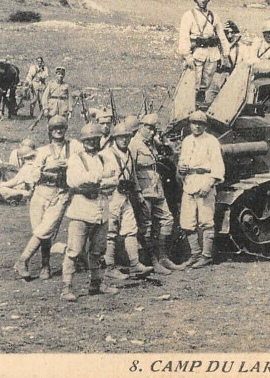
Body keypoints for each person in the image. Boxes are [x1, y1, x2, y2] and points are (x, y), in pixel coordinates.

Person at [14, 116, 82, 280]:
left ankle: (22, 261)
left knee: (45, 230)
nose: (58, 131)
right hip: (41, 193)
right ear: (50, 131)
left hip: (61, 194)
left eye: (61, 127)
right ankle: (45, 265)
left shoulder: (74, 146)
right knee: (41, 232)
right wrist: (48, 167)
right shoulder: (43, 151)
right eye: (55, 128)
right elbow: (32, 175)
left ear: (65, 129)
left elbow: (85, 156)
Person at [60, 123, 120, 301]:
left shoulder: (104, 158)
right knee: (74, 250)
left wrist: (98, 181)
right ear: (82, 141)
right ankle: (66, 287)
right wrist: (101, 178)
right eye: (88, 140)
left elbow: (115, 179)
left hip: (101, 210)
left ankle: (96, 283)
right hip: (81, 210)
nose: (92, 143)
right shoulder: (76, 159)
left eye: (95, 139)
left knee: (98, 251)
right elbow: (75, 181)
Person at [129, 113, 182, 274]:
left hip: (156, 188)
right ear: (141, 126)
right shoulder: (134, 144)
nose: (152, 132)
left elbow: (169, 153)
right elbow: (131, 171)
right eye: (149, 128)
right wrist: (137, 191)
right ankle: (153, 261)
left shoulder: (151, 143)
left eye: (154, 129)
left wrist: (163, 141)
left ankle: (164, 257)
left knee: (168, 220)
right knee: (146, 226)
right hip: (144, 190)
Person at [100, 123, 153, 280]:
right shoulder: (105, 154)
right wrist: (111, 182)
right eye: (120, 137)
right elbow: (98, 177)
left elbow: (133, 175)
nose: (124, 140)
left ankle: (135, 264)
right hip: (111, 196)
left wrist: (138, 192)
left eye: (127, 137)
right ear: (115, 138)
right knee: (111, 232)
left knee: (131, 229)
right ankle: (110, 267)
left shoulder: (129, 153)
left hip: (126, 196)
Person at [177, 111, 225, 269]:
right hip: (189, 183)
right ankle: (195, 254)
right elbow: (182, 161)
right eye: (194, 123)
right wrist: (181, 168)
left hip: (204, 181)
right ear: (190, 124)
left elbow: (218, 166)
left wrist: (209, 183)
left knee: (206, 221)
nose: (197, 126)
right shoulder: (186, 141)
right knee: (187, 221)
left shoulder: (211, 141)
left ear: (205, 126)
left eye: (201, 124)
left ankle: (206, 255)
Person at [177, 0, 232, 104]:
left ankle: (201, 105)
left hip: (212, 54)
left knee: (206, 83)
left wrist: (226, 54)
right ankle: (190, 106)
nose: (203, 0)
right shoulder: (188, 15)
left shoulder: (214, 16)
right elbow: (184, 36)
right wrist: (187, 56)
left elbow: (221, 36)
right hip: (197, 53)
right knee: (193, 82)